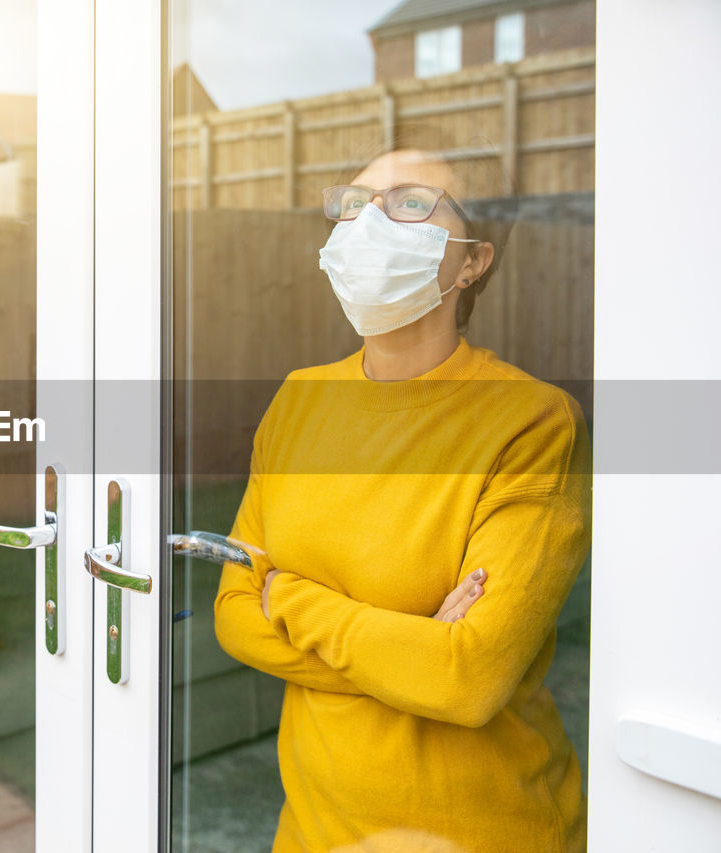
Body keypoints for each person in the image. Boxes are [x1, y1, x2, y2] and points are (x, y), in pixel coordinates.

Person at [214, 148, 591, 852]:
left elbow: (469, 678)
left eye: (411, 202)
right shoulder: (299, 398)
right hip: (314, 831)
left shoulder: (533, 423)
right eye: (354, 203)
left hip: (481, 832)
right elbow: (234, 615)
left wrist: (292, 600)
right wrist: (412, 644)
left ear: (473, 260)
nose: (369, 223)